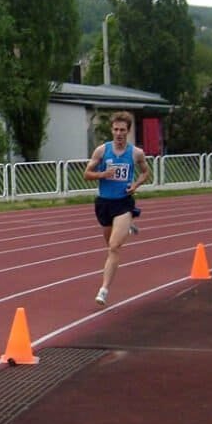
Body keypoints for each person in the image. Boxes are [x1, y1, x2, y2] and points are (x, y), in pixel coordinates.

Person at [84, 111, 150, 306]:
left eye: (123, 130)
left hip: (123, 202)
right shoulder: (102, 151)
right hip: (104, 203)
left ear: (128, 132)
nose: (119, 133)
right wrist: (103, 174)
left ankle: (103, 289)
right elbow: (86, 174)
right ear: (111, 130)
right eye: (116, 129)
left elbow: (146, 172)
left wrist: (136, 185)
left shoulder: (136, 153)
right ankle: (128, 227)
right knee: (110, 245)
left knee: (114, 247)